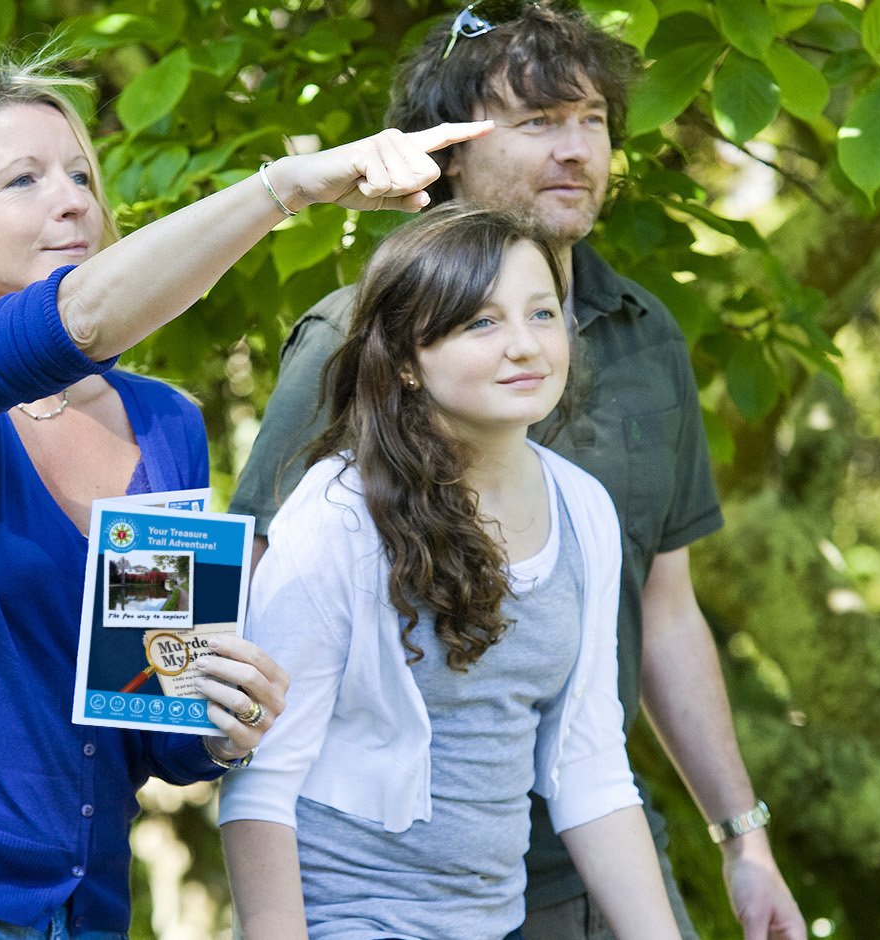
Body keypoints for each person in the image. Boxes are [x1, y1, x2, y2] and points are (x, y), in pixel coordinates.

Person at [0, 54, 488, 938]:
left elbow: (152, 711)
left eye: (81, 173)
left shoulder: (162, 426)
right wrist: (291, 187)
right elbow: (77, 321)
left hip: (83, 913)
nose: (73, 199)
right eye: (24, 180)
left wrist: (224, 718)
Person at [225, 4, 805, 938]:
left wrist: (743, 837)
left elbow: (663, 607)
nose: (575, 149)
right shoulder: (354, 337)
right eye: (537, 123)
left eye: (593, 121)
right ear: (446, 149)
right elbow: (261, 606)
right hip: (375, 861)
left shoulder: (644, 334)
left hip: (589, 825)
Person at [221, 205, 682, 940]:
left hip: (495, 924)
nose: (526, 346)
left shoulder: (583, 507)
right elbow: (260, 781)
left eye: (541, 313)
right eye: (482, 323)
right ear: (406, 358)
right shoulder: (340, 513)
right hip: (348, 921)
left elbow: (589, 770)